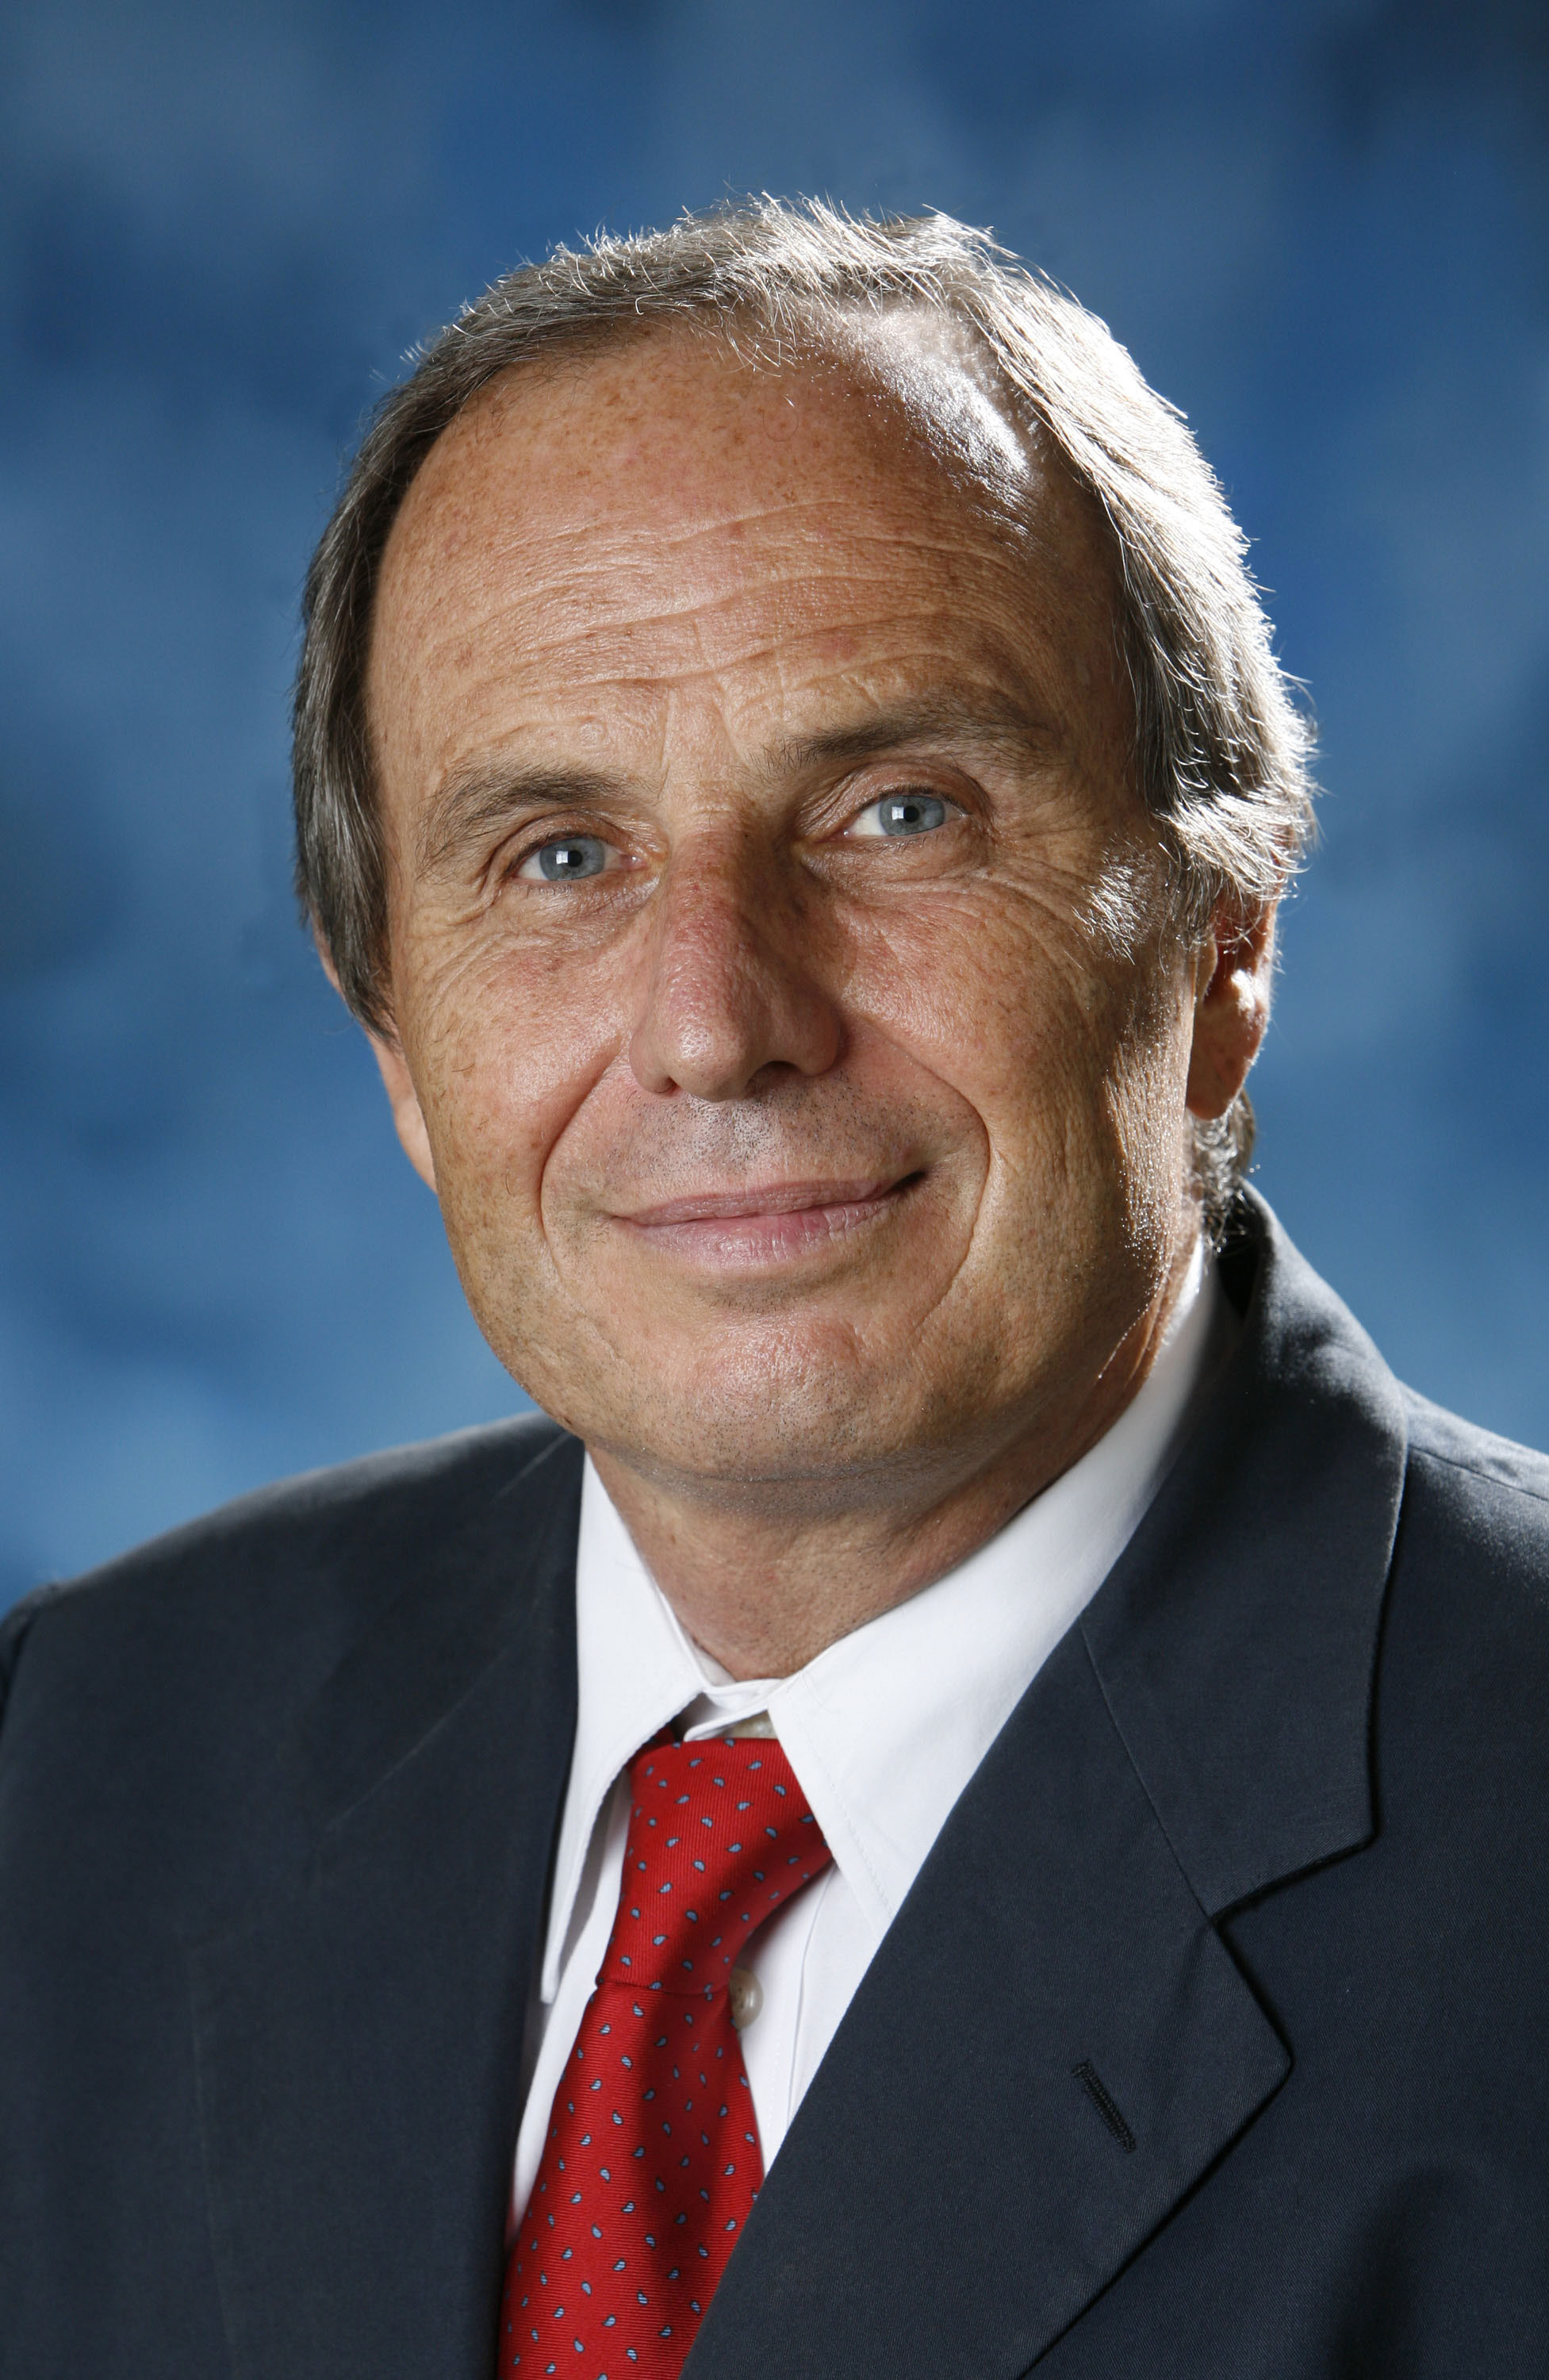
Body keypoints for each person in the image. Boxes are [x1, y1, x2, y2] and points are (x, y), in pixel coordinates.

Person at [2, 198, 1546, 2380]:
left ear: (1221, 941)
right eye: (559, 857)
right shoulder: (83, 1755)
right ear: (397, 1042)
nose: (719, 1023)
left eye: (897, 815)